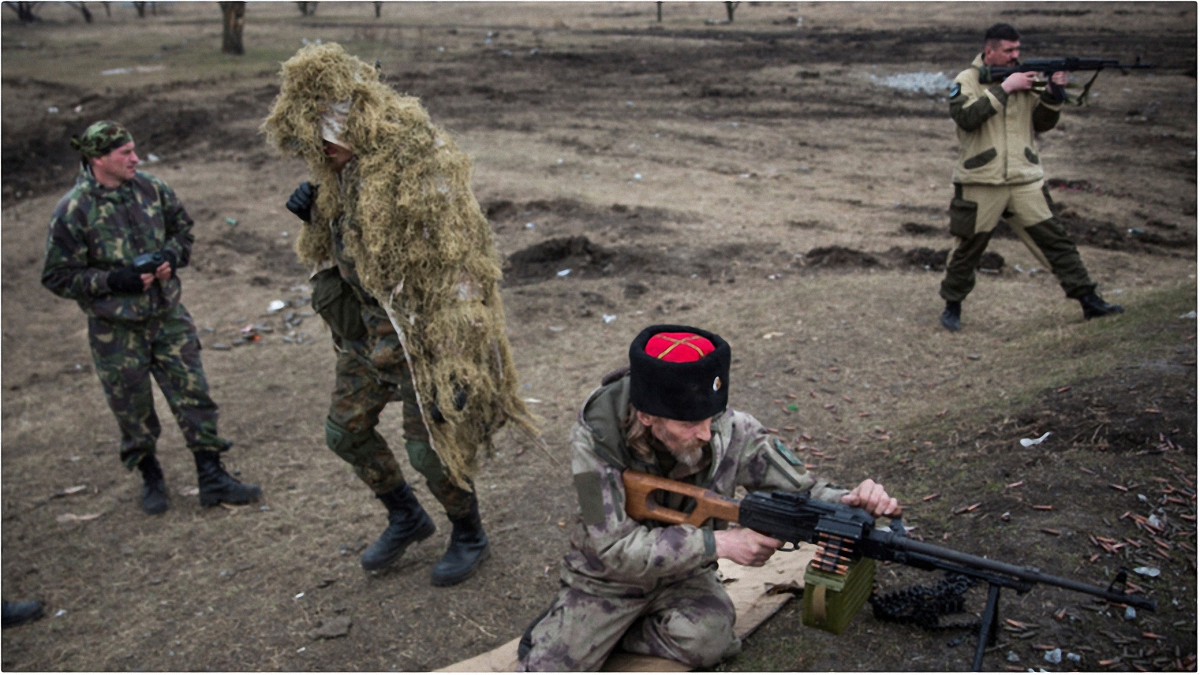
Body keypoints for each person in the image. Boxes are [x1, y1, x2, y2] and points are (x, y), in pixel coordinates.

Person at [263, 44, 537, 586]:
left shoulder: (415, 163)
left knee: (430, 451)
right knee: (345, 433)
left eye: (324, 144)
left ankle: (469, 533)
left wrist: (459, 362)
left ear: (348, 127)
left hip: (424, 340)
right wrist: (315, 212)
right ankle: (406, 516)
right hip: (369, 334)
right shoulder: (340, 168)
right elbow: (338, 246)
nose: (319, 156)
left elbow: (460, 263)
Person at [518, 325, 898, 671]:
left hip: (686, 575)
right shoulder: (595, 442)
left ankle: (616, 634)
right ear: (649, 416)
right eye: (688, 424)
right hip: (608, 580)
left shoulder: (729, 428)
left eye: (710, 417)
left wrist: (849, 500)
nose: (705, 434)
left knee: (710, 640)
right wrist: (721, 542)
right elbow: (613, 545)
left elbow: (802, 489)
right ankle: (584, 626)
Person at [41, 120, 262, 515]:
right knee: (132, 409)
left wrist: (171, 258)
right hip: (116, 331)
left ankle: (212, 477)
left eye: (134, 150)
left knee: (195, 395)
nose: (135, 158)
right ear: (97, 159)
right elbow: (57, 276)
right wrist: (113, 280)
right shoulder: (73, 210)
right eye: (125, 153)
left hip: (167, 316)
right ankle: (151, 476)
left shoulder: (152, 189)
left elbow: (184, 231)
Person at [938, 23, 1124, 332]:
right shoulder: (967, 80)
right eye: (1008, 51)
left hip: (1025, 180)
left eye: (1017, 50)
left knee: (1056, 242)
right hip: (982, 180)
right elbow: (966, 118)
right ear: (989, 52)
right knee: (968, 248)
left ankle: (1089, 301)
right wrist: (1005, 88)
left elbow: (1042, 123)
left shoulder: (1025, 77)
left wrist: (1053, 94)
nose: (1015, 56)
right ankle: (952, 306)